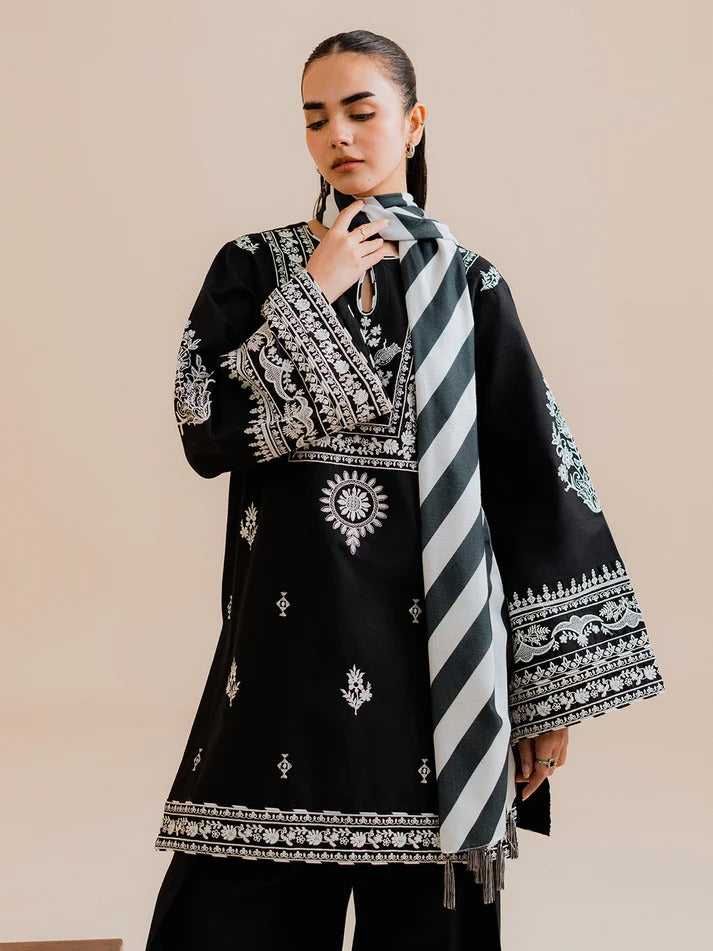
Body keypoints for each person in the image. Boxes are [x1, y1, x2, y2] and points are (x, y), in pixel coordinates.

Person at [144, 28, 665, 951]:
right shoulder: (253, 268)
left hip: (436, 687)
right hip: (276, 674)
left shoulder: (469, 288)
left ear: (413, 123)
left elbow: (534, 484)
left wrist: (542, 697)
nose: (338, 136)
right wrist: (315, 289)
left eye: (360, 111)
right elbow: (206, 430)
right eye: (315, 119)